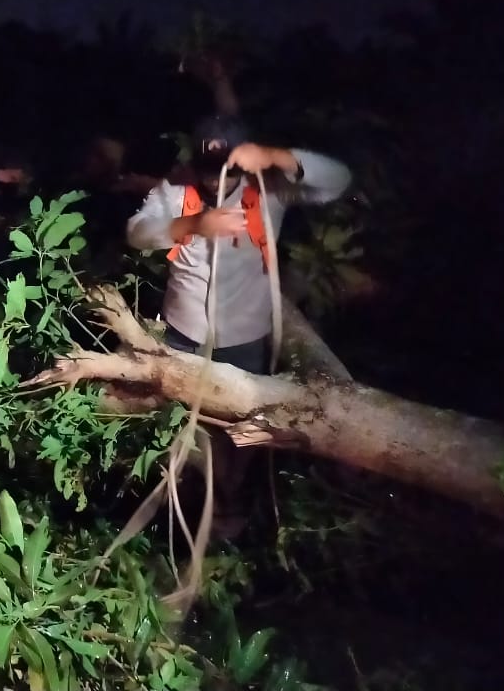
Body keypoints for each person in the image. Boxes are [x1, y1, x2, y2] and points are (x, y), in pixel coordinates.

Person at [126, 114, 351, 534]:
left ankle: (233, 501)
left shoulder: (271, 190)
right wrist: (191, 225)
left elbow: (337, 179)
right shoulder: (176, 190)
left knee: (244, 428)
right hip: (183, 333)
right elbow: (137, 233)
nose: (215, 182)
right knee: (181, 423)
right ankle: (183, 506)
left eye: (223, 170)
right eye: (208, 171)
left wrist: (276, 156)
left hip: (245, 337)